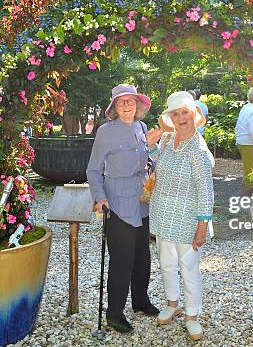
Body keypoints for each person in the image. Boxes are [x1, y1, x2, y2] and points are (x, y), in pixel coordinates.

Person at [86, 84, 159, 334]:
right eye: (121, 102)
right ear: (114, 107)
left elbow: (148, 161)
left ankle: (140, 301)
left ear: (138, 105)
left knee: (143, 258)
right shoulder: (105, 132)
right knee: (121, 261)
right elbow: (93, 169)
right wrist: (100, 197)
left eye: (130, 101)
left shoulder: (142, 128)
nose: (127, 106)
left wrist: (152, 150)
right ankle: (114, 314)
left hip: (141, 200)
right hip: (117, 202)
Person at [146, 91, 214, 341]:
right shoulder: (166, 140)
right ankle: (172, 303)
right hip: (163, 216)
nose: (180, 117)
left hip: (187, 219)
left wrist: (202, 226)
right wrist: (151, 147)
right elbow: (157, 166)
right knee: (166, 264)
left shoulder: (198, 148)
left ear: (194, 115)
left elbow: (206, 190)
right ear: (170, 118)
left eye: (185, 112)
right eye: (176, 114)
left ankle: (192, 315)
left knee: (189, 268)